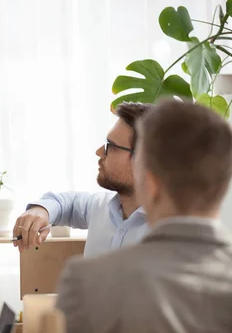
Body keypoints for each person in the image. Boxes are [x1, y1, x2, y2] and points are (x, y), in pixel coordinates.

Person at [56, 100, 232, 332]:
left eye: (110, 146)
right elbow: (73, 202)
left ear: (150, 183)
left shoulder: (86, 282)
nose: (100, 152)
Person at [13, 102, 152, 257]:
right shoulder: (101, 207)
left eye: (111, 146)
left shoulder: (173, 235)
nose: (99, 152)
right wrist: (41, 211)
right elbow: (67, 203)